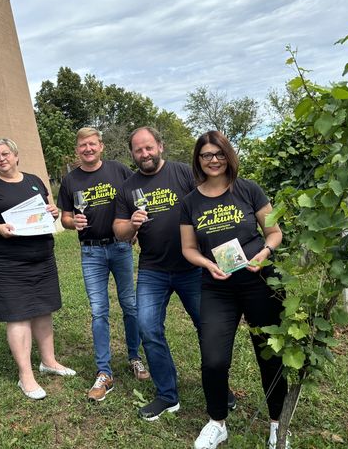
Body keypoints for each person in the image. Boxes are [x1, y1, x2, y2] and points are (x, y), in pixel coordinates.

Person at [179, 130, 288, 449]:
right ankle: (217, 422)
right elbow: (188, 248)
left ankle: (278, 426)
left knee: (270, 354)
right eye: (206, 155)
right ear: (198, 160)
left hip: (258, 280)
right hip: (217, 286)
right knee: (213, 359)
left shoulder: (248, 189)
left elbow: (274, 232)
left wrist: (264, 253)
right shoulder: (190, 202)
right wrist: (208, 264)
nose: (213, 160)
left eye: (219, 153)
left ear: (228, 155)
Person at [0, 138, 75, 400]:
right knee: (18, 315)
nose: (1, 159)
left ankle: (48, 361)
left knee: (43, 309)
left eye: (5, 154)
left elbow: (49, 212)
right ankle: (25, 375)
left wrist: (52, 211)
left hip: (42, 258)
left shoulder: (34, 180)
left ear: (16, 156)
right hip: (7, 262)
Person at [112, 126, 203, 421]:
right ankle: (167, 395)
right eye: (138, 150)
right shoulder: (128, 187)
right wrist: (133, 224)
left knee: (209, 327)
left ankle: (217, 386)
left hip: (192, 266)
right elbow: (119, 231)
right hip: (153, 269)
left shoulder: (183, 173)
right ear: (132, 154)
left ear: (160, 146)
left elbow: (208, 202)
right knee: (148, 328)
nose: (144, 154)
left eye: (149, 147)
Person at [57, 127, 150, 402]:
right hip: (91, 252)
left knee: (130, 304)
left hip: (120, 247)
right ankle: (104, 371)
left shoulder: (119, 171)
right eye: (83, 145)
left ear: (101, 146)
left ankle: (135, 356)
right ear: (78, 150)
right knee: (99, 311)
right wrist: (72, 222)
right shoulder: (70, 180)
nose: (88, 149)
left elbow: (137, 204)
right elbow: (64, 218)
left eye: (92, 144)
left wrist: (133, 231)